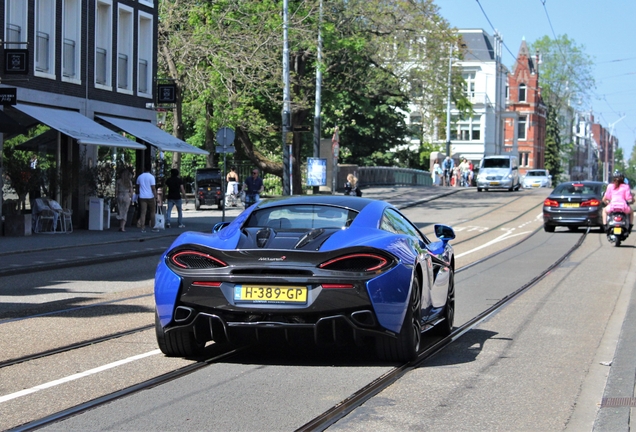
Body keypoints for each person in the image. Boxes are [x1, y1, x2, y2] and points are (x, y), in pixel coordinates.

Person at [136, 164, 159, 233]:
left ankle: (142, 227)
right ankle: (153, 226)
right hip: (150, 196)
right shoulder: (151, 177)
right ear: (150, 169)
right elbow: (153, 188)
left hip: (142, 196)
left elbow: (137, 187)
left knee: (143, 212)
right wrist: (156, 196)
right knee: (152, 212)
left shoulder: (140, 177)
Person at [115, 167, 133, 232]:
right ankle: (123, 227)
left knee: (120, 211)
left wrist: (116, 197)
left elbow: (116, 190)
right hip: (126, 196)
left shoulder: (118, 181)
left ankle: (120, 225)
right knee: (125, 211)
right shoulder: (129, 182)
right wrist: (131, 198)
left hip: (120, 195)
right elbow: (131, 191)